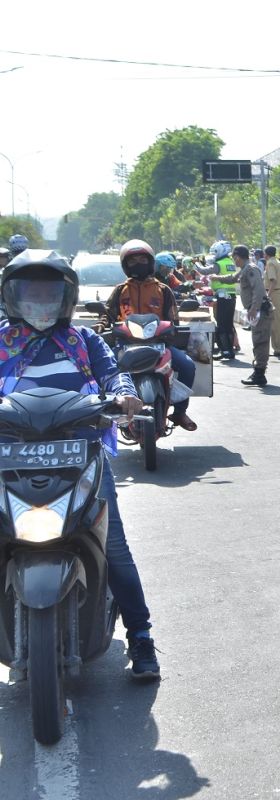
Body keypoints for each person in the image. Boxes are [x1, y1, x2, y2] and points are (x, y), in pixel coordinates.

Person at [0, 249, 160, 681]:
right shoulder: (0, 339)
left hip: (79, 451)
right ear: (12, 297)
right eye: (29, 293)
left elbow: (114, 374)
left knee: (114, 547)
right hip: (8, 457)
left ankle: (142, 636)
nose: (39, 303)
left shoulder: (83, 340)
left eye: (49, 294)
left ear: (66, 298)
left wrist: (126, 394)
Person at [102, 240, 198, 431]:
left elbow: (173, 318)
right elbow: (107, 314)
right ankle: (107, 410)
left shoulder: (163, 289)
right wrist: (101, 324)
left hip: (159, 344)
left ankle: (179, 411)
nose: (138, 263)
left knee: (188, 365)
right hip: (126, 346)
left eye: (142, 259)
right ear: (125, 265)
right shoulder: (120, 290)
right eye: (133, 260)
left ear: (150, 261)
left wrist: (171, 330)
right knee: (103, 368)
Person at [231, 244, 271, 387]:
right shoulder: (244, 269)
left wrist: (254, 308)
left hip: (260, 310)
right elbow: (232, 278)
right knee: (257, 341)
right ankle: (258, 372)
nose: (234, 261)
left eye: (234, 258)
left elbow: (259, 290)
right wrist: (215, 277)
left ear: (238, 257)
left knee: (260, 342)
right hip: (256, 310)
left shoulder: (251, 269)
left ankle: (259, 374)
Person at [197, 240, 239, 360]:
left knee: (221, 324)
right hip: (231, 295)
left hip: (222, 296)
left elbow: (204, 271)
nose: (214, 255)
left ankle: (225, 350)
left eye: (215, 252)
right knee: (229, 324)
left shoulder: (219, 264)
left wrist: (196, 264)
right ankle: (230, 350)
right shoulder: (230, 262)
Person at [264, 246, 280, 356]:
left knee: (275, 323)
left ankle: (278, 348)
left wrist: (267, 295)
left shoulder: (270, 263)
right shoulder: (278, 262)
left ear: (266, 254)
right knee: (278, 321)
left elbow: (272, 280)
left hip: (275, 293)